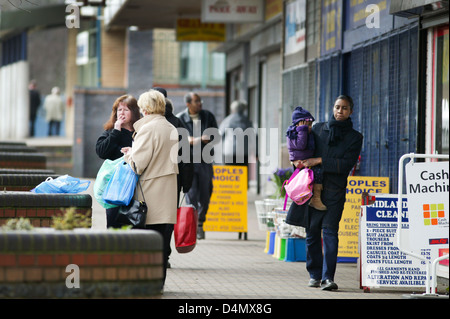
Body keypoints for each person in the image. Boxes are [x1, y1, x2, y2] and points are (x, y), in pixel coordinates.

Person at [285, 95, 363, 291]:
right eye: (337, 107)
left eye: (344, 108)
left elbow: (346, 164)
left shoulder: (355, 137)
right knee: (312, 233)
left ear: (350, 111)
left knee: (330, 232)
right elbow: (301, 146)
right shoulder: (319, 128)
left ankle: (328, 277)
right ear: (333, 108)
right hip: (312, 189)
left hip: (335, 191)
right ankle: (314, 275)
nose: (340, 111)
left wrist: (319, 160)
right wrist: (295, 160)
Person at [121, 89, 179, 289]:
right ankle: (158, 283)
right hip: (168, 193)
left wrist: (129, 153)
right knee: (162, 243)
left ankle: (146, 283)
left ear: (146, 108)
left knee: (147, 242)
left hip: (150, 194)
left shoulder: (148, 129)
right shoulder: (171, 127)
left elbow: (138, 164)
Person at [177, 92, 218, 240]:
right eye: (196, 101)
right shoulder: (181, 118)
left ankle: (201, 221)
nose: (200, 103)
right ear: (188, 104)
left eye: (200, 101)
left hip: (205, 161)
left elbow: (215, 135)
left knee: (206, 194)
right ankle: (194, 226)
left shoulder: (208, 116)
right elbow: (180, 139)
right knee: (191, 195)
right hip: (188, 162)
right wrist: (197, 139)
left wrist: (206, 139)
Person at [95, 95, 141, 228]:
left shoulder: (140, 133)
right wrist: (116, 130)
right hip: (116, 188)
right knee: (114, 226)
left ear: (134, 112)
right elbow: (101, 152)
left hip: (137, 189)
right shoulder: (111, 131)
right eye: (119, 110)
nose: (121, 113)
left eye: (126, 110)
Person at [286, 106, 326, 210]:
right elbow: (301, 145)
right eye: (306, 125)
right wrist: (302, 130)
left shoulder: (311, 133)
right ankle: (305, 200)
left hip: (307, 163)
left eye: (310, 125)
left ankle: (316, 198)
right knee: (304, 182)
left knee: (317, 174)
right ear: (297, 124)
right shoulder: (293, 133)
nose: (309, 127)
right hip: (300, 165)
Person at [218, 100, 254, 166]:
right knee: (242, 172)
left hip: (229, 151)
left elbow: (220, 135)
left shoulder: (227, 120)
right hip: (244, 151)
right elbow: (252, 136)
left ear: (233, 109)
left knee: (231, 172)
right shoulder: (247, 121)